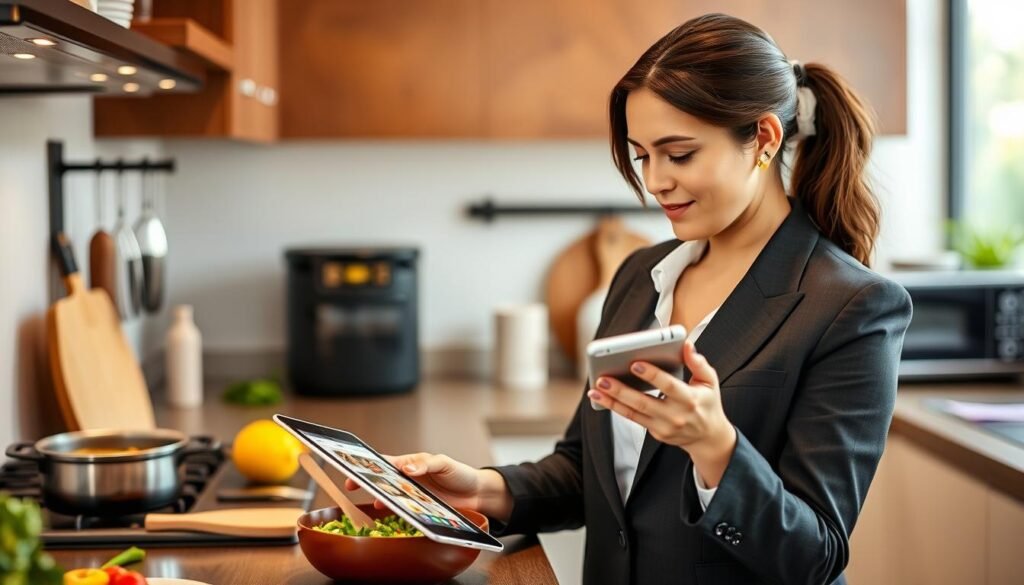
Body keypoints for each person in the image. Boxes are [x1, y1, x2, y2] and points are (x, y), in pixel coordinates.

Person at [346, 13, 912, 585]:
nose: (655, 181)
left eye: (680, 153)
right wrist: (481, 487)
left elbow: (814, 557)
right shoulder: (642, 275)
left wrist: (716, 449)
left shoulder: (852, 307)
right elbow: (586, 471)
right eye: (643, 155)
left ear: (762, 139)